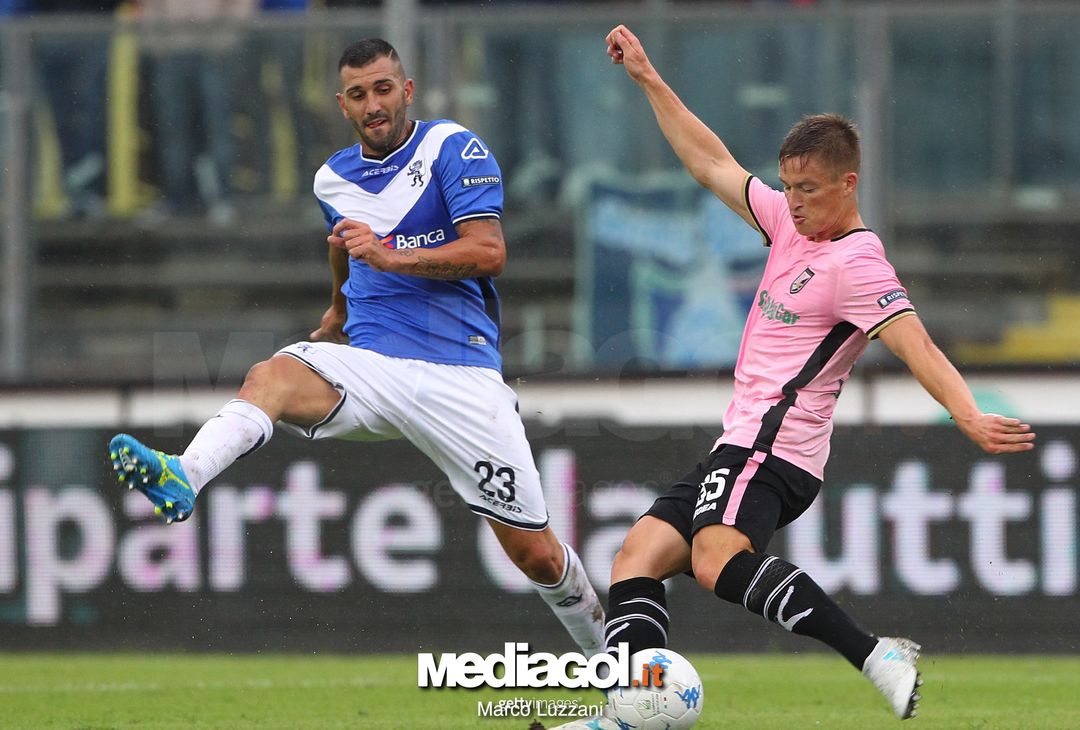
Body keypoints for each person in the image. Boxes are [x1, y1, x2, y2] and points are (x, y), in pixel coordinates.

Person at [550, 25, 1038, 728]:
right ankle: (630, 715)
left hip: (777, 449)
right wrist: (650, 81)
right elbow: (711, 163)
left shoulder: (859, 266)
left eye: (808, 189)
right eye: (788, 187)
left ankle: (877, 655)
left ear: (849, 183)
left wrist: (966, 415)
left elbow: (919, 347)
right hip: (741, 443)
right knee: (637, 555)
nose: (794, 200)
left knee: (718, 560)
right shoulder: (787, 225)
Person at [107, 38, 605, 657]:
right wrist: (341, 306)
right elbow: (341, 241)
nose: (374, 104)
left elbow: (489, 252)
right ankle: (185, 475)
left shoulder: (454, 147)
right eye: (359, 94)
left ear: (408, 90)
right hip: (372, 367)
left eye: (384, 88)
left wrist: (393, 255)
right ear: (342, 103)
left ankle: (615, 671)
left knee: (535, 554)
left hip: (459, 376)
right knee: (272, 375)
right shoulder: (331, 177)